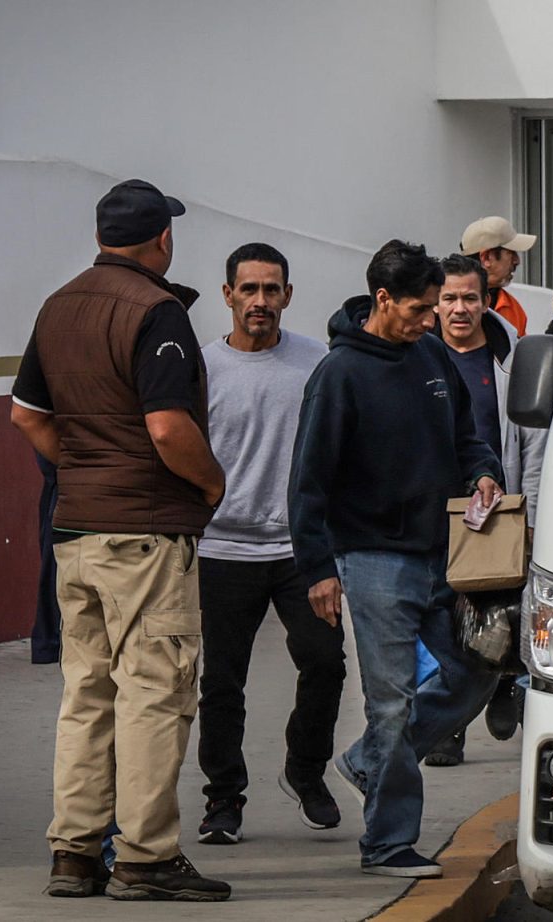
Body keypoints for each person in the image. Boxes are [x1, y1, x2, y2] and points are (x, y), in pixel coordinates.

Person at [10, 178, 231, 902]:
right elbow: (168, 428)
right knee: (154, 694)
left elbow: (27, 416)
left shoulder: (58, 305)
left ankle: (74, 853)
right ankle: (146, 856)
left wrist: (80, 469)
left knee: (86, 694)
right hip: (144, 534)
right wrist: (209, 484)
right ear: (161, 239)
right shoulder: (157, 310)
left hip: (75, 531)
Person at [288, 239, 504, 878]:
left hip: (445, 555)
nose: (430, 319)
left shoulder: (432, 355)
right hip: (374, 562)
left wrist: (485, 471)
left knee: (477, 671)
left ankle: (369, 762)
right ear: (381, 300)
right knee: (392, 701)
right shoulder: (338, 375)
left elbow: (469, 436)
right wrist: (318, 570)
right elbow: (308, 483)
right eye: (419, 309)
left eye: (435, 307)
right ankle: (386, 844)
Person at [195, 243, 345, 844]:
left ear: (288, 295)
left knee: (326, 664)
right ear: (228, 294)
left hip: (300, 552)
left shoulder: (318, 363)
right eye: (249, 289)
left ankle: (305, 772)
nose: (261, 300)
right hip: (220, 551)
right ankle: (223, 800)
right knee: (222, 684)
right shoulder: (200, 369)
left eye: (272, 289)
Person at [422, 255, 547, 766]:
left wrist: (532, 518)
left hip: (495, 514)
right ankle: (446, 727)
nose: (459, 308)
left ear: (486, 301)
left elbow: (534, 448)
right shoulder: (418, 359)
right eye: (448, 298)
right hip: (429, 518)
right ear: (434, 304)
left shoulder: (511, 363)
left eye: (469, 298)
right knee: (437, 631)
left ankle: (502, 686)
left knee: (497, 619)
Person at [461, 216, 535, 336]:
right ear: (486, 258)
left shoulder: (514, 309)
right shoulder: (441, 306)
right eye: (511, 253)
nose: (517, 261)